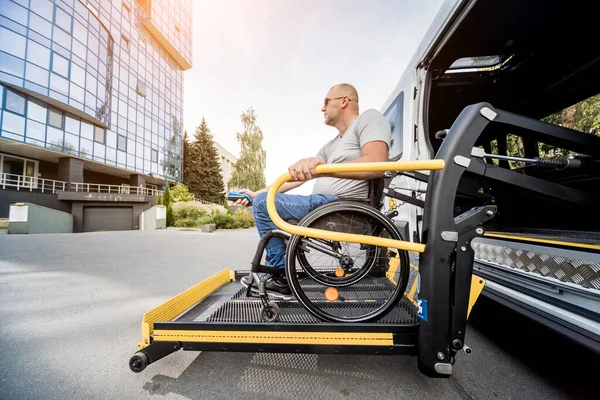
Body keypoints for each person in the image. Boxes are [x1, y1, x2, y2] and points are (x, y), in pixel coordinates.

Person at [237, 83, 391, 299]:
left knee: (264, 205)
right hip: (324, 204)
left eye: (326, 101)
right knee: (263, 201)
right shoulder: (331, 145)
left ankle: (280, 278)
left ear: (344, 101)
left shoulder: (369, 119)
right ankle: (279, 272)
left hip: (342, 208)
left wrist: (322, 171)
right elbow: (294, 180)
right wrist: (257, 193)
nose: (322, 108)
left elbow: (376, 162)